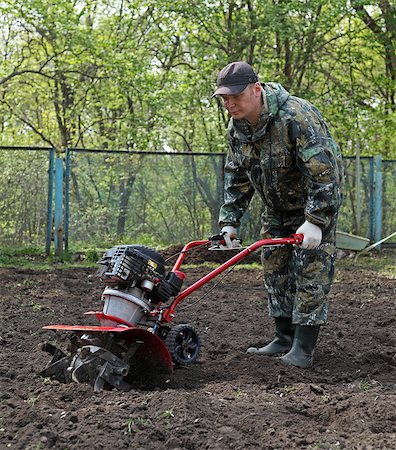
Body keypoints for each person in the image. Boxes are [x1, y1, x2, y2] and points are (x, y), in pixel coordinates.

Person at [213, 61, 343, 368]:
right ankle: (283, 338)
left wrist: (316, 221)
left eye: (236, 96)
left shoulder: (297, 116)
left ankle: (303, 348)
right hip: (276, 210)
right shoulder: (238, 128)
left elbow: (325, 174)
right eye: (224, 98)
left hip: (312, 206)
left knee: (311, 270)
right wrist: (229, 221)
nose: (229, 103)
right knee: (275, 266)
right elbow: (237, 176)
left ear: (256, 90)